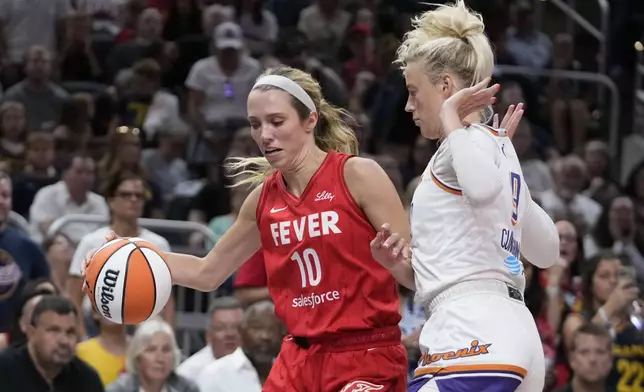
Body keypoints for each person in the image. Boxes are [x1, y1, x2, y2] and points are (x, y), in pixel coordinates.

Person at [88, 65, 413, 391]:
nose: (264, 135)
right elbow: (207, 272)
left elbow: (414, 270)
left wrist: (397, 263)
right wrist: (129, 252)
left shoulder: (358, 175)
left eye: (276, 121)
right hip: (298, 358)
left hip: (365, 352)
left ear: (310, 120)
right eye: (255, 125)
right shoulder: (263, 200)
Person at [382, 1, 559, 391]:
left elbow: (480, 192)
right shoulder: (494, 147)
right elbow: (546, 251)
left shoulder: (465, 143)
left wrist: (451, 118)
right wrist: (399, 270)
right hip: (517, 337)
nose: (409, 106)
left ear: (445, 86)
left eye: (414, 92)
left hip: (473, 335)